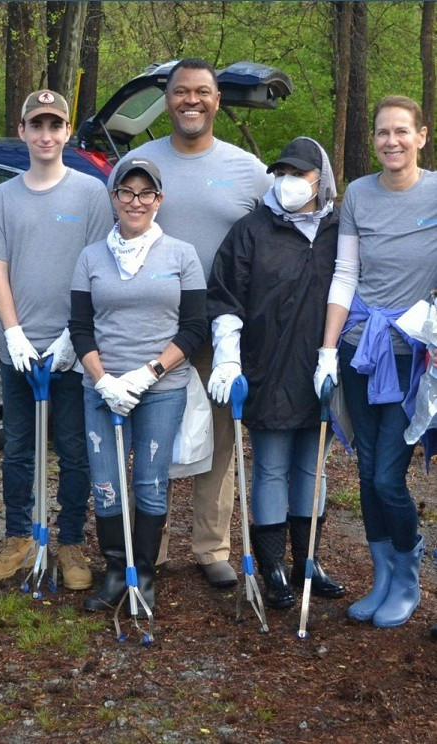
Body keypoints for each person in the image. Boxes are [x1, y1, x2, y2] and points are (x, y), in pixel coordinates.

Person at [114, 58, 270, 589]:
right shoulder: (138, 160)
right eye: (181, 92)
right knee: (145, 439)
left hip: (220, 328)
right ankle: (144, 545)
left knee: (219, 439)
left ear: (217, 100)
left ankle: (212, 546)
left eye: (202, 92)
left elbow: (277, 235)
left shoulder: (248, 169)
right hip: (146, 329)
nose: (191, 101)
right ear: (168, 99)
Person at [0, 89, 114, 590]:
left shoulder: (90, 193)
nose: (46, 135)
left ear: (65, 132)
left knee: (75, 449)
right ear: (23, 132)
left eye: (55, 126)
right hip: (20, 347)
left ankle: (72, 541)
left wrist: (72, 339)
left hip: (73, 349)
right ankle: (19, 538)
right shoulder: (4, 197)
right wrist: (11, 331)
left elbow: (97, 269)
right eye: (37, 125)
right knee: (17, 448)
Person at [207, 137, 345, 609]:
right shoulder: (252, 230)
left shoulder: (340, 229)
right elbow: (225, 295)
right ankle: (273, 566)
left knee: (312, 466)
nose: (289, 183)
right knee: (270, 467)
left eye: (300, 174)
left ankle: (308, 560)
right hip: (267, 367)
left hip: (323, 364)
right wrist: (228, 355)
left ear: (321, 179)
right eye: (282, 173)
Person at [316, 95, 437, 628]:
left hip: (412, 356)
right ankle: (382, 576)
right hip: (361, 350)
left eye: (401, 132)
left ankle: (408, 575)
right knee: (366, 471)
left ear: (421, 136)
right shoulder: (359, 195)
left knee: (389, 476)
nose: (391, 141)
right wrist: (327, 349)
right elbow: (346, 274)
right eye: (382, 133)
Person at [69, 156, 207, 613]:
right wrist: (103, 379)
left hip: (160, 389)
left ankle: (143, 574)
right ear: (113, 198)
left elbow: (193, 328)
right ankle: (114, 570)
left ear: (159, 200)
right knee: (107, 482)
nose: (136, 201)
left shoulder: (182, 254)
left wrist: (148, 373)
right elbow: (80, 327)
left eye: (146, 193)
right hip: (102, 389)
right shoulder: (90, 255)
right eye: (126, 192)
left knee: (149, 482)